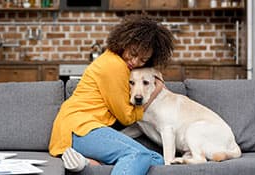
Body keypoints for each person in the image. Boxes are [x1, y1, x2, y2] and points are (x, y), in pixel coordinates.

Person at [49, 13, 174, 175]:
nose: (135, 62)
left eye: (143, 60)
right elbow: (127, 117)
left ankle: (88, 163)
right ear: (125, 42)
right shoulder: (114, 66)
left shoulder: (116, 62)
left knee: (157, 160)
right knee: (139, 154)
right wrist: (155, 90)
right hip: (80, 127)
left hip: (86, 130)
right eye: (133, 53)